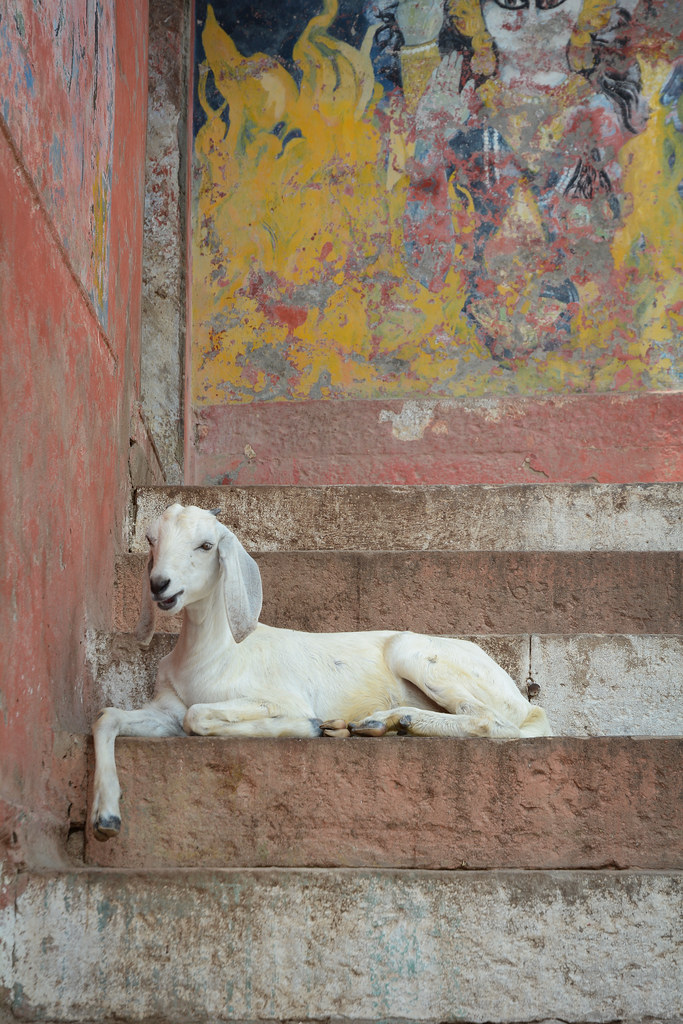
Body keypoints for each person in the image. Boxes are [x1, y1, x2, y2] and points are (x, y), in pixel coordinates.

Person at [395, 0, 648, 362]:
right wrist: (430, 141)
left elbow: (618, 261)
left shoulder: (604, 117)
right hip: (460, 356)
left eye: (550, 2)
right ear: (477, 10)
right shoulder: (462, 110)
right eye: (509, 2)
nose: (529, 19)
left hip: (584, 356)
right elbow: (425, 267)